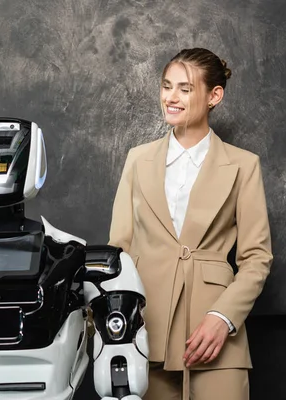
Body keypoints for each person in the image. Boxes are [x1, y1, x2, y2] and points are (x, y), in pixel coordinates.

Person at [108, 48, 273, 400]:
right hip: (145, 334)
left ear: (214, 96)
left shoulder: (244, 166)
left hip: (216, 338)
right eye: (167, 86)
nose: (171, 97)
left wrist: (223, 318)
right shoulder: (137, 160)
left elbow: (257, 258)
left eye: (184, 88)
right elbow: (118, 251)